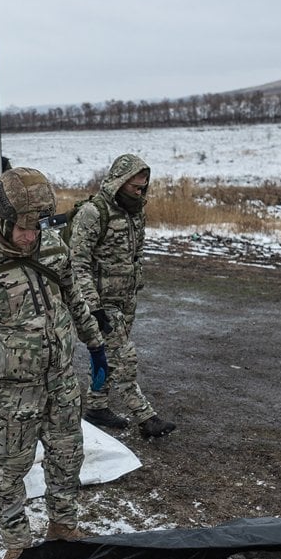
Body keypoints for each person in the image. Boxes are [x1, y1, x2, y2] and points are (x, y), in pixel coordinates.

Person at [0, 167, 109, 559]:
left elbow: (75, 298)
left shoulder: (51, 250)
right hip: (11, 394)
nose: (32, 238)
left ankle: (63, 526)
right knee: (11, 471)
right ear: (0, 220)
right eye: (24, 230)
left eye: (38, 228)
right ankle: (17, 545)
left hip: (61, 383)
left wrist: (96, 345)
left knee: (68, 458)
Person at [69, 153, 176, 438]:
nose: (140, 193)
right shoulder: (93, 213)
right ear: (119, 181)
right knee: (125, 356)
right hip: (101, 303)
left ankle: (97, 406)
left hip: (126, 299)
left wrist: (134, 283)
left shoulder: (135, 212)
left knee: (109, 357)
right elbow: (77, 262)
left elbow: (136, 253)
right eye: (135, 187)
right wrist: (92, 306)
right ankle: (146, 417)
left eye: (144, 188)